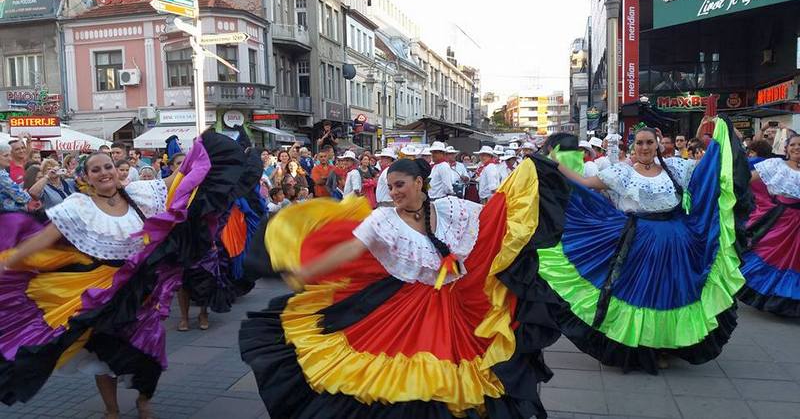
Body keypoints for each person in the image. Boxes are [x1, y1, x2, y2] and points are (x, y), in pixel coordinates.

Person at [240, 156, 563, 419]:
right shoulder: (383, 220)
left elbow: (496, 220)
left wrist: (534, 173)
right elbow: (349, 249)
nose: (394, 192)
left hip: (456, 308)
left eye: (400, 185)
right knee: (402, 382)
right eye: (390, 186)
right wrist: (308, 269)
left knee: (458, 381)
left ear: (419, 183)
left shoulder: (453, 208)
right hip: (406, 307)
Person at [0, 132, 253, 418]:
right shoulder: (77, 206)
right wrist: (9, 263)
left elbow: (179, 181)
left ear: (116, 170)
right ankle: (112, 410)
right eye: (95, 170)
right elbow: (45, 237)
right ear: (87, 177)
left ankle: (144, 400)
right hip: (100, 291)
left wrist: (200, 151)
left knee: (150, 349)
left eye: (107, 167)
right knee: (102, 354)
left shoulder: (139, 193)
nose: (104, 173)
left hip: (141, 287)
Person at [540, 119, 750, 373]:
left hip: (677, 243)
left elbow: (710, 168)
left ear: (658, 144)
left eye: (650, 142)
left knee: (670, 294)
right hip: (638, 243)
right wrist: (552, 164)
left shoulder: (675, 167)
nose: (645, 147)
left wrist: (718, 136)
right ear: (633, 146)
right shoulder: (622, 172)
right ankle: (641, 347)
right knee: (640, 294)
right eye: (640, 142)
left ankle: (665, 346)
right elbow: (584, 184)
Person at [737, 134, 800, 316]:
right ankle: (774, 299)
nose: (797, 148)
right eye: (793, 144)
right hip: (783, 221)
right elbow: (746, 180)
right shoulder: (776, 166)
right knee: (773, 255)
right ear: (786, 149)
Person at [0, 143, 32, 212]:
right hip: (7, 216)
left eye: (10, 155)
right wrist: (25, 193)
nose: (10, 159)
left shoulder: (3, 170)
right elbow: (23, 198)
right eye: (6, 156)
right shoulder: (1, 176)